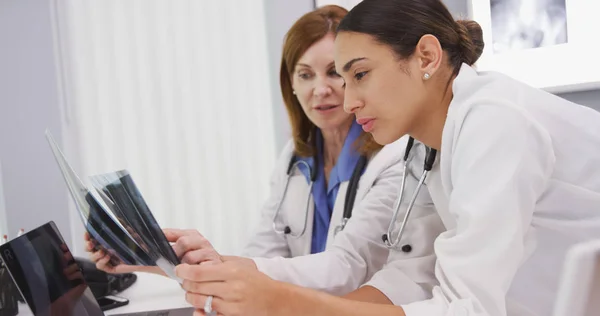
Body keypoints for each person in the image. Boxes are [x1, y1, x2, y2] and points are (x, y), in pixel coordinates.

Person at [174, 0, 600, 315]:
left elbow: (468, 307)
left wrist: (285, 304)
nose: (349, 99)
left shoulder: (496, 121)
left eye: (359, 75)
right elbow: (411, 278)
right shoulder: (426, 146)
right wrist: (260, 293)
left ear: (426, 57)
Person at [86, 4, 443, 301]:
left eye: (335, 73)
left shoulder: (395, 156)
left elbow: (345, 268)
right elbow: (264, 251)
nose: (320, 89)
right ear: (290, 85)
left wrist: (222, 265)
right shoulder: (296, 157)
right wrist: (155, 260)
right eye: (304, 75)